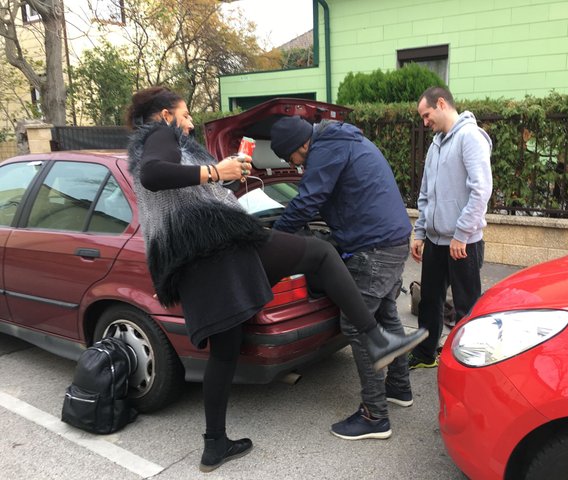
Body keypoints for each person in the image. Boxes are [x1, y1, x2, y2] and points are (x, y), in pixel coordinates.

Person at [125, 86, 427, 472]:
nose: (189, 122)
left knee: (224, 352)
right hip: (219, 249)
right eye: (185, 115)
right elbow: (154, 174)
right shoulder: (159, 135)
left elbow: (188, 194)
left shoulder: (155, 146)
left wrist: (225, 183)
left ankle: (214, 445)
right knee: (320, 254)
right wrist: (216, 171)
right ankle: (377, 338)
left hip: (196, 263)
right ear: (165, 115)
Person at [269, 115, 416, 441]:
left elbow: (308, 200)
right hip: (392, 240)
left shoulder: (326, 148)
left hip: (374, 248)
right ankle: (399, 387)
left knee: (355, 324)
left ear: (300, 145)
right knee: (386, 312)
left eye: (290, 158)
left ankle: (374, 415)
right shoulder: (341, 139)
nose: (293, 165)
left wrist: (274, 238)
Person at [408, 86, 493, 369]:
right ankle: (425, 355)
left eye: (427, 115)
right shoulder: (436, 144)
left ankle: (468, 362)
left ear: (442, 104)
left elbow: (481, 190)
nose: (425, 122)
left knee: (466, 306)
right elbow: (426, 193)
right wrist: (420, 232)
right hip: (435, 240)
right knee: (429, 301)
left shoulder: (470, 137)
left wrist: (462, 234)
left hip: (463, 243)